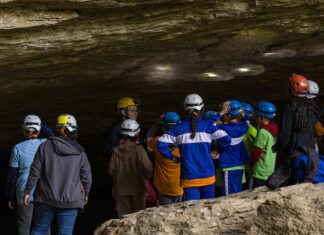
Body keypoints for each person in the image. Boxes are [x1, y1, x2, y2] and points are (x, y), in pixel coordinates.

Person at [23, 114, 92, 235]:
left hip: (46, 198)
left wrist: (28, 191)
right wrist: (86, 192)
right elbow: (86, 175)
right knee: (65, 232)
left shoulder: (44, 146)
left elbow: (35, 171)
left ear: (59, 128)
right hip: (71, 199)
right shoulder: (80, 151)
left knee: (39, 230)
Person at [157, 94, 231, 201]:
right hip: (208, 176)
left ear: (185, 109)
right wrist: (218, 151)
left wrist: (172, 157)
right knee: (208, 208)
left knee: (192, 210)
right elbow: (226, 139)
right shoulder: (208, 126)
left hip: (189, 178)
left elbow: (160, 144)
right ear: (202, 109)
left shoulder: (177, 129)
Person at [7, 115, 47, 235]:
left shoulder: (17, 148)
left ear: (24, 129)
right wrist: (40, 126)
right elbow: (55, 136)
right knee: (44, 227)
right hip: (44, 192)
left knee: (24, 228)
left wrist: (10, 196)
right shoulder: (45, 143)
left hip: (23, 192)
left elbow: (12, 175)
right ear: (39, 130)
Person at [108, 119, 153, 218]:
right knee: (138, 219)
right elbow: (148, 169)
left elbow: (111, 171)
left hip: (120, 191)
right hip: (139, 190)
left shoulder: (115, 151)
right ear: (136, 134)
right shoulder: (140, 150)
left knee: (124, 221)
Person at [147, 112, 183, 205]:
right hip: (179, 186)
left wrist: (157, 122)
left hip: (163, 187)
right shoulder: (184, 143)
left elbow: (148, 138)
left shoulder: (157, 141)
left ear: (163, 127)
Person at [277, 74, 317, 157]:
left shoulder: (289, 107)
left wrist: (278, 146)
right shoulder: (311, 106)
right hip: (309, 151)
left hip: (295, 151)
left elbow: (285, 133)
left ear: (291, 90)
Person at [217, 100, 250, 195]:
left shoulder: (223, 128)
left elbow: (208, 125)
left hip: (229, 166)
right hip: (240, 164)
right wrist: (244, 115)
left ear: (228, 115)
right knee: (237, 192)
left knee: (228, 195)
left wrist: (220, 113)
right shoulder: (244, 127)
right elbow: (247, 120)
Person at [252, 101, 278, 188]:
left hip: (260, 170)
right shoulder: (274, 129)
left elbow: (257, 152)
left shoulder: (262, 132)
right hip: (270, 168)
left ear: (262, 117)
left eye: (256, 114)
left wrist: (251, 163)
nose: (254, 115)